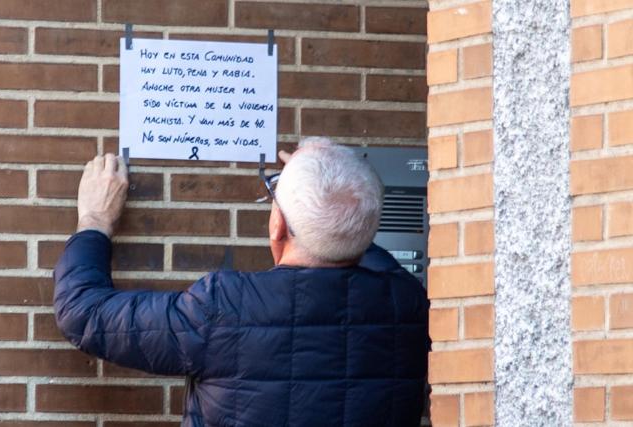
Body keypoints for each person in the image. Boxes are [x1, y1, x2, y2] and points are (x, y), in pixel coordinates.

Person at [54, 137, 430, 427]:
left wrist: (95, 221)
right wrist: (331, 192)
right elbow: (353, 241)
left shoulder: (226, 308)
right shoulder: (410, 306)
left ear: (277, 224)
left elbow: (84, 312)